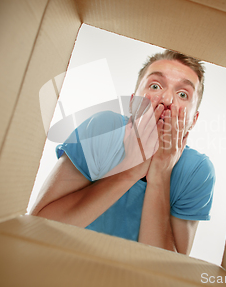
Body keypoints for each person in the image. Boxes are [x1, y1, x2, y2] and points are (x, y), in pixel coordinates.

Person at [30, 50, 215, 255]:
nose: (167, 99)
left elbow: (168, 271)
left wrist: (161, 175)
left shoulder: (197, 170)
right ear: (133, 102)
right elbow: (38, 227)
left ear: (193, 120)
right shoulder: (103, 129)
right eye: (155, 86)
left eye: (183, 94)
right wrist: (130, 168)